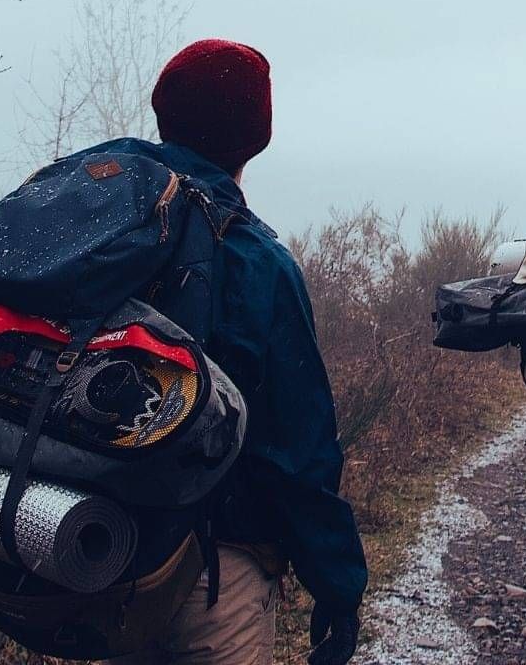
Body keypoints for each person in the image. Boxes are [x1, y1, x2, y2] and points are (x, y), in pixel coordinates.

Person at [109, 39, 365, 665]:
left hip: (103, 560)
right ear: (257, 133)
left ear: (164, 116)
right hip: (215, 573)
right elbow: (299, 451)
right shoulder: (255, 261)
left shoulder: (106, 241)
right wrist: (337, 588)